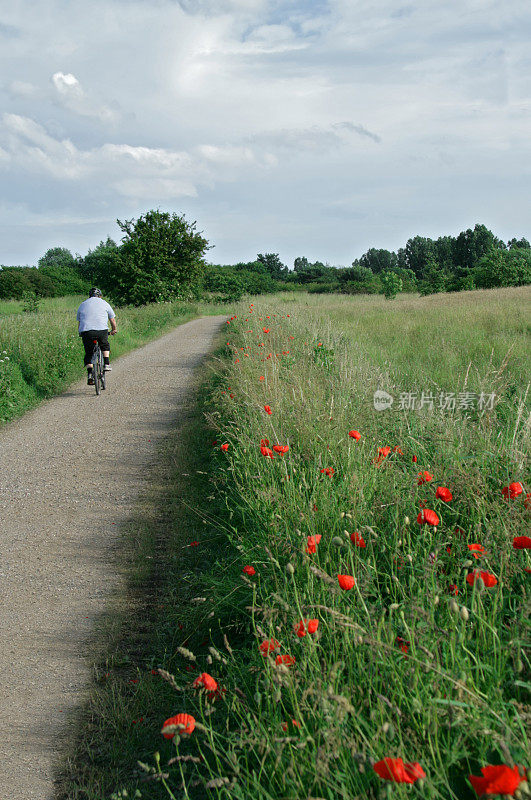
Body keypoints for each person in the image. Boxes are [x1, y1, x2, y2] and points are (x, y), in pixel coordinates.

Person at [76, 288, 117, 385]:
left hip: (87, 331)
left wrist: (80, 332)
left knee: (89, 352)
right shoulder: (104, 303)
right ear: (100, 295)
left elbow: (80, 321)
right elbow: (112, 320)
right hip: (101, 330)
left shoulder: (82, 304)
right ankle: (106, 363)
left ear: (89, 296)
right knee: (104, 345)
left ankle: (90, 374)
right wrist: (114, 329)